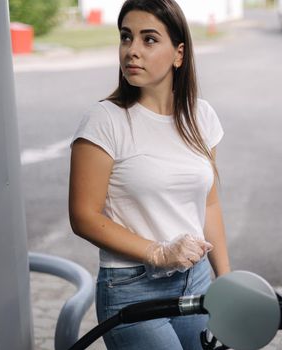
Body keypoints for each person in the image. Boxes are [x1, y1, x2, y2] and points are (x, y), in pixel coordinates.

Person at [68, 0, 231, 349]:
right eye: (126, 38)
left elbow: (210, 205)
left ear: (178, 53)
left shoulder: (202, 117)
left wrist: (227, 280)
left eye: (149, 39)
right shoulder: (104, 121)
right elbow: (83, 217)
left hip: (196, 280)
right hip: (131, 288)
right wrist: (157, 252)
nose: (132, 51)